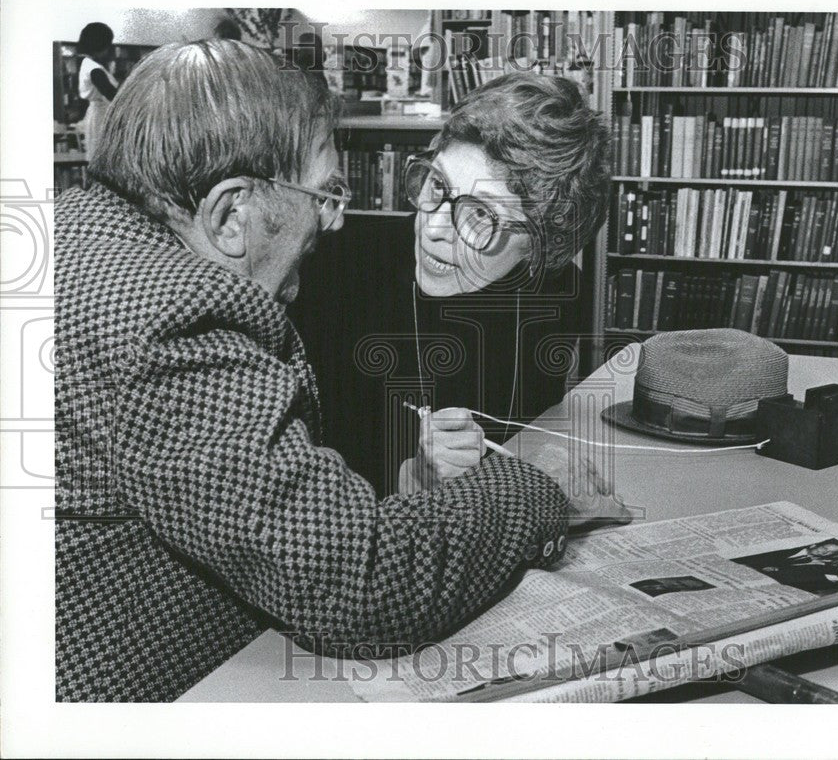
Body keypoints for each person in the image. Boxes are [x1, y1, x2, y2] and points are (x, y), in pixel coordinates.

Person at [55, 39, 628, 702]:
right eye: (322, 194)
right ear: (230, 214)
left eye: (480, 218)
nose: (337, 219)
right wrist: (536, 485)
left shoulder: (80, 234)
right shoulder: (173, 321)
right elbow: (360, 585)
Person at [291, 72, 609, 496]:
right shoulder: (331, 271)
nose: (434, 226)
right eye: (436, 184)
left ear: (541, 246)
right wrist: (413, 478)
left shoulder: (558, 291)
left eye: (481, 215)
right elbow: (301, 483)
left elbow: (517, 435)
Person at [75, 22, 118, 161]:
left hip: (100, 113)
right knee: (104, 157)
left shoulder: (89, 64)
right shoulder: (94, 68)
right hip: (101, 116)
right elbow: (112, 94)